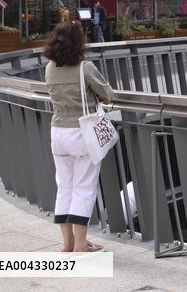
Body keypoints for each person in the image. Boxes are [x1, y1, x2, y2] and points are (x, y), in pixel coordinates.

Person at [44, 21, 115, 252]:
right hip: (81, 133)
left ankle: (67, 244)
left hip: (57, 132)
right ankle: (81, 245)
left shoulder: (50, 68)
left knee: (63, 186)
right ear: (79, 42)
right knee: (83, 188)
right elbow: (107, 93)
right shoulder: (85, 68)